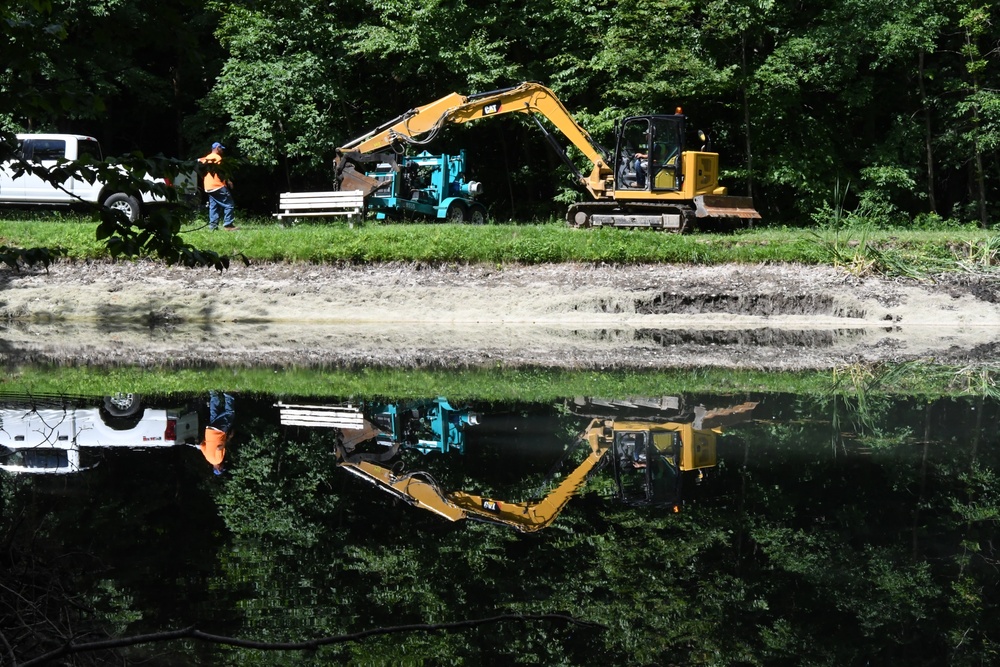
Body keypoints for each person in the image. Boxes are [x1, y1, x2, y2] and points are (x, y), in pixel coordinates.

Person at [198, 142, 237, 231]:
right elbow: (222, 171)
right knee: (229, 204)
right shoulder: (217, 158)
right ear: (217, 148)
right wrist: (228, 180)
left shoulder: (207, 158)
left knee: (214, 206)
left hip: (208, 186)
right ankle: (228, 225)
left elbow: (199, 165)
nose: (222, 150)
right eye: (221, 148)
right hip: (217, 185)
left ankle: (213, 226)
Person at [199, 391, 235, 475]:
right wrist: (209, 438)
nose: (223, 466)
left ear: (218, 469)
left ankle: (228, 394)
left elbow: (219, 448)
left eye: (222, 468)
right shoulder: (208, 459)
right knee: (214, 413)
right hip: (209, 431)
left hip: (218, 431)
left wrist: (229, 438)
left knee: (230, 414)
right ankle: (213, 392)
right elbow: (201, 445)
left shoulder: (218, 460)